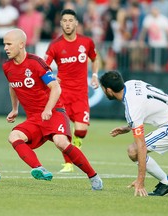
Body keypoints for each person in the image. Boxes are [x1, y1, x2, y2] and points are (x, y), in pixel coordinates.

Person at [2, 28, 103, 190]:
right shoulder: (7, 67)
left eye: (9, 44)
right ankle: (38, 168)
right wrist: (15, 109)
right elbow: (12, 86)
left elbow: (56, 88)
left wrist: (48, 109)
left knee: (61, 142)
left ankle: (93, 176)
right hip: (35, 118)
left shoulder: (36, 63)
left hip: (54, 112)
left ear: (21, 44)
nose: (5, 48)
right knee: (14, 136)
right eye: (4, 44)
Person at [99, 70, 168, 197]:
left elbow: (141, 146)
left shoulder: (132, 107)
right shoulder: (131, 84)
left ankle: (166, 183)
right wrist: (128, 127)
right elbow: (147, 105)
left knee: (133, 151)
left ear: (109, 90)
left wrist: (140, 180)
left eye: (103, 88)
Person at [45, 9, 100, 173]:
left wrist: (95, 75)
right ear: (61, 24)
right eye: (64, 21)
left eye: (70, 20)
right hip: (62, 95)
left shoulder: (86, 42)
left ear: (76, 23)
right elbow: (44, 66)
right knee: (64, 132)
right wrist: (52, 77)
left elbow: (95, 58)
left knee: (81, 131)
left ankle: (76, 149)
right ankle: (68, 163)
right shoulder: (55, 45)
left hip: (81, 95)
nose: (67, 23)